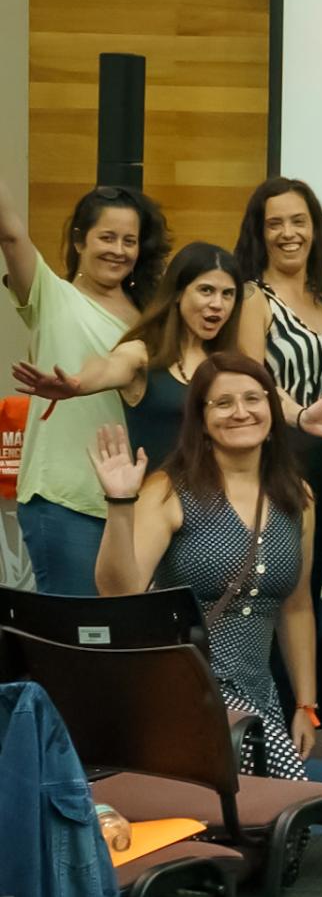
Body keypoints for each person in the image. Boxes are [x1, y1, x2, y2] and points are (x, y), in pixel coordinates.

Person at [87, 352, 318, 781]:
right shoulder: (170, 490)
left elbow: (297, 607)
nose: (241, 411)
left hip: (258, 697)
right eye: (223, 402)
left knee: (283, 823)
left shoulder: (297, 497)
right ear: (201, 419)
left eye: (254, 398)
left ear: (272, 409)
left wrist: (306, 705)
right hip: (181, 692)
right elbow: (119, 595)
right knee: (281, 803)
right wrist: (121, 504)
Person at [15, 243, 322, 470]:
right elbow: (106, 367)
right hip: (157, 509)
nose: (218, 304)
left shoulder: (229, 361)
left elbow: (271, 393)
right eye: (206, 291)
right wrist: (76, 384)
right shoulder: (142, 355)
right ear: (179, 295)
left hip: (219, 512)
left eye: (228, 295)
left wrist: (302, 417)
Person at [1, 179, 168, 594]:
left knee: (124, 642)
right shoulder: (50, 295)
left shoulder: (154, 314)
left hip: (136, 503)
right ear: (79, 241)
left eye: (129, 240)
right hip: (65, 500)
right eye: (106, 237)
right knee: (77, 640)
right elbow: (10, 232)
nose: (119, 250)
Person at [232, 177, 322, 614]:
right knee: (290, 592)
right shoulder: (253, 298)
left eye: (299, 221)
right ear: (259, 233)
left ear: (315, 228)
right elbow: (254, 383)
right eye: (275, 224)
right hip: (290, 459)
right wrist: (301, 416)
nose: (289, 233)